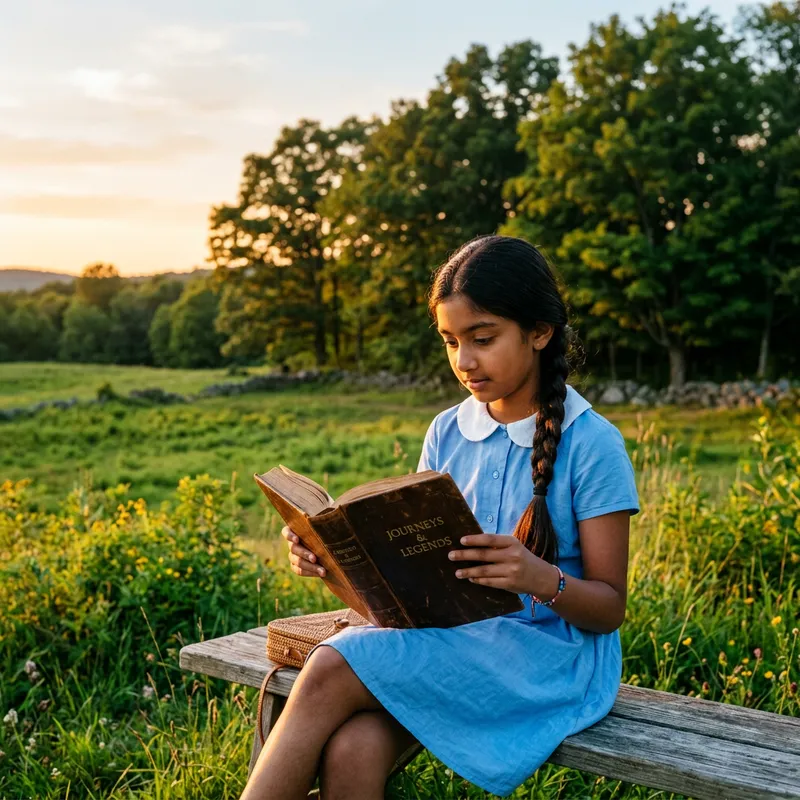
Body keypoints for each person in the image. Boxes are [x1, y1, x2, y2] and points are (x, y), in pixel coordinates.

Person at [240, 234, 639, 800]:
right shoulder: (446, 431)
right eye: (450, 342)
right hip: (449, 644)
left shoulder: (592, 443)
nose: (464, 361)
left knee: (330, 666)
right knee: (354, 748)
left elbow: (608, 609)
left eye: (482, 338)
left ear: (540, 333)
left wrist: (535, 577)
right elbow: (408, 603)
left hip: (549, 664)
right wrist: (332, 563)